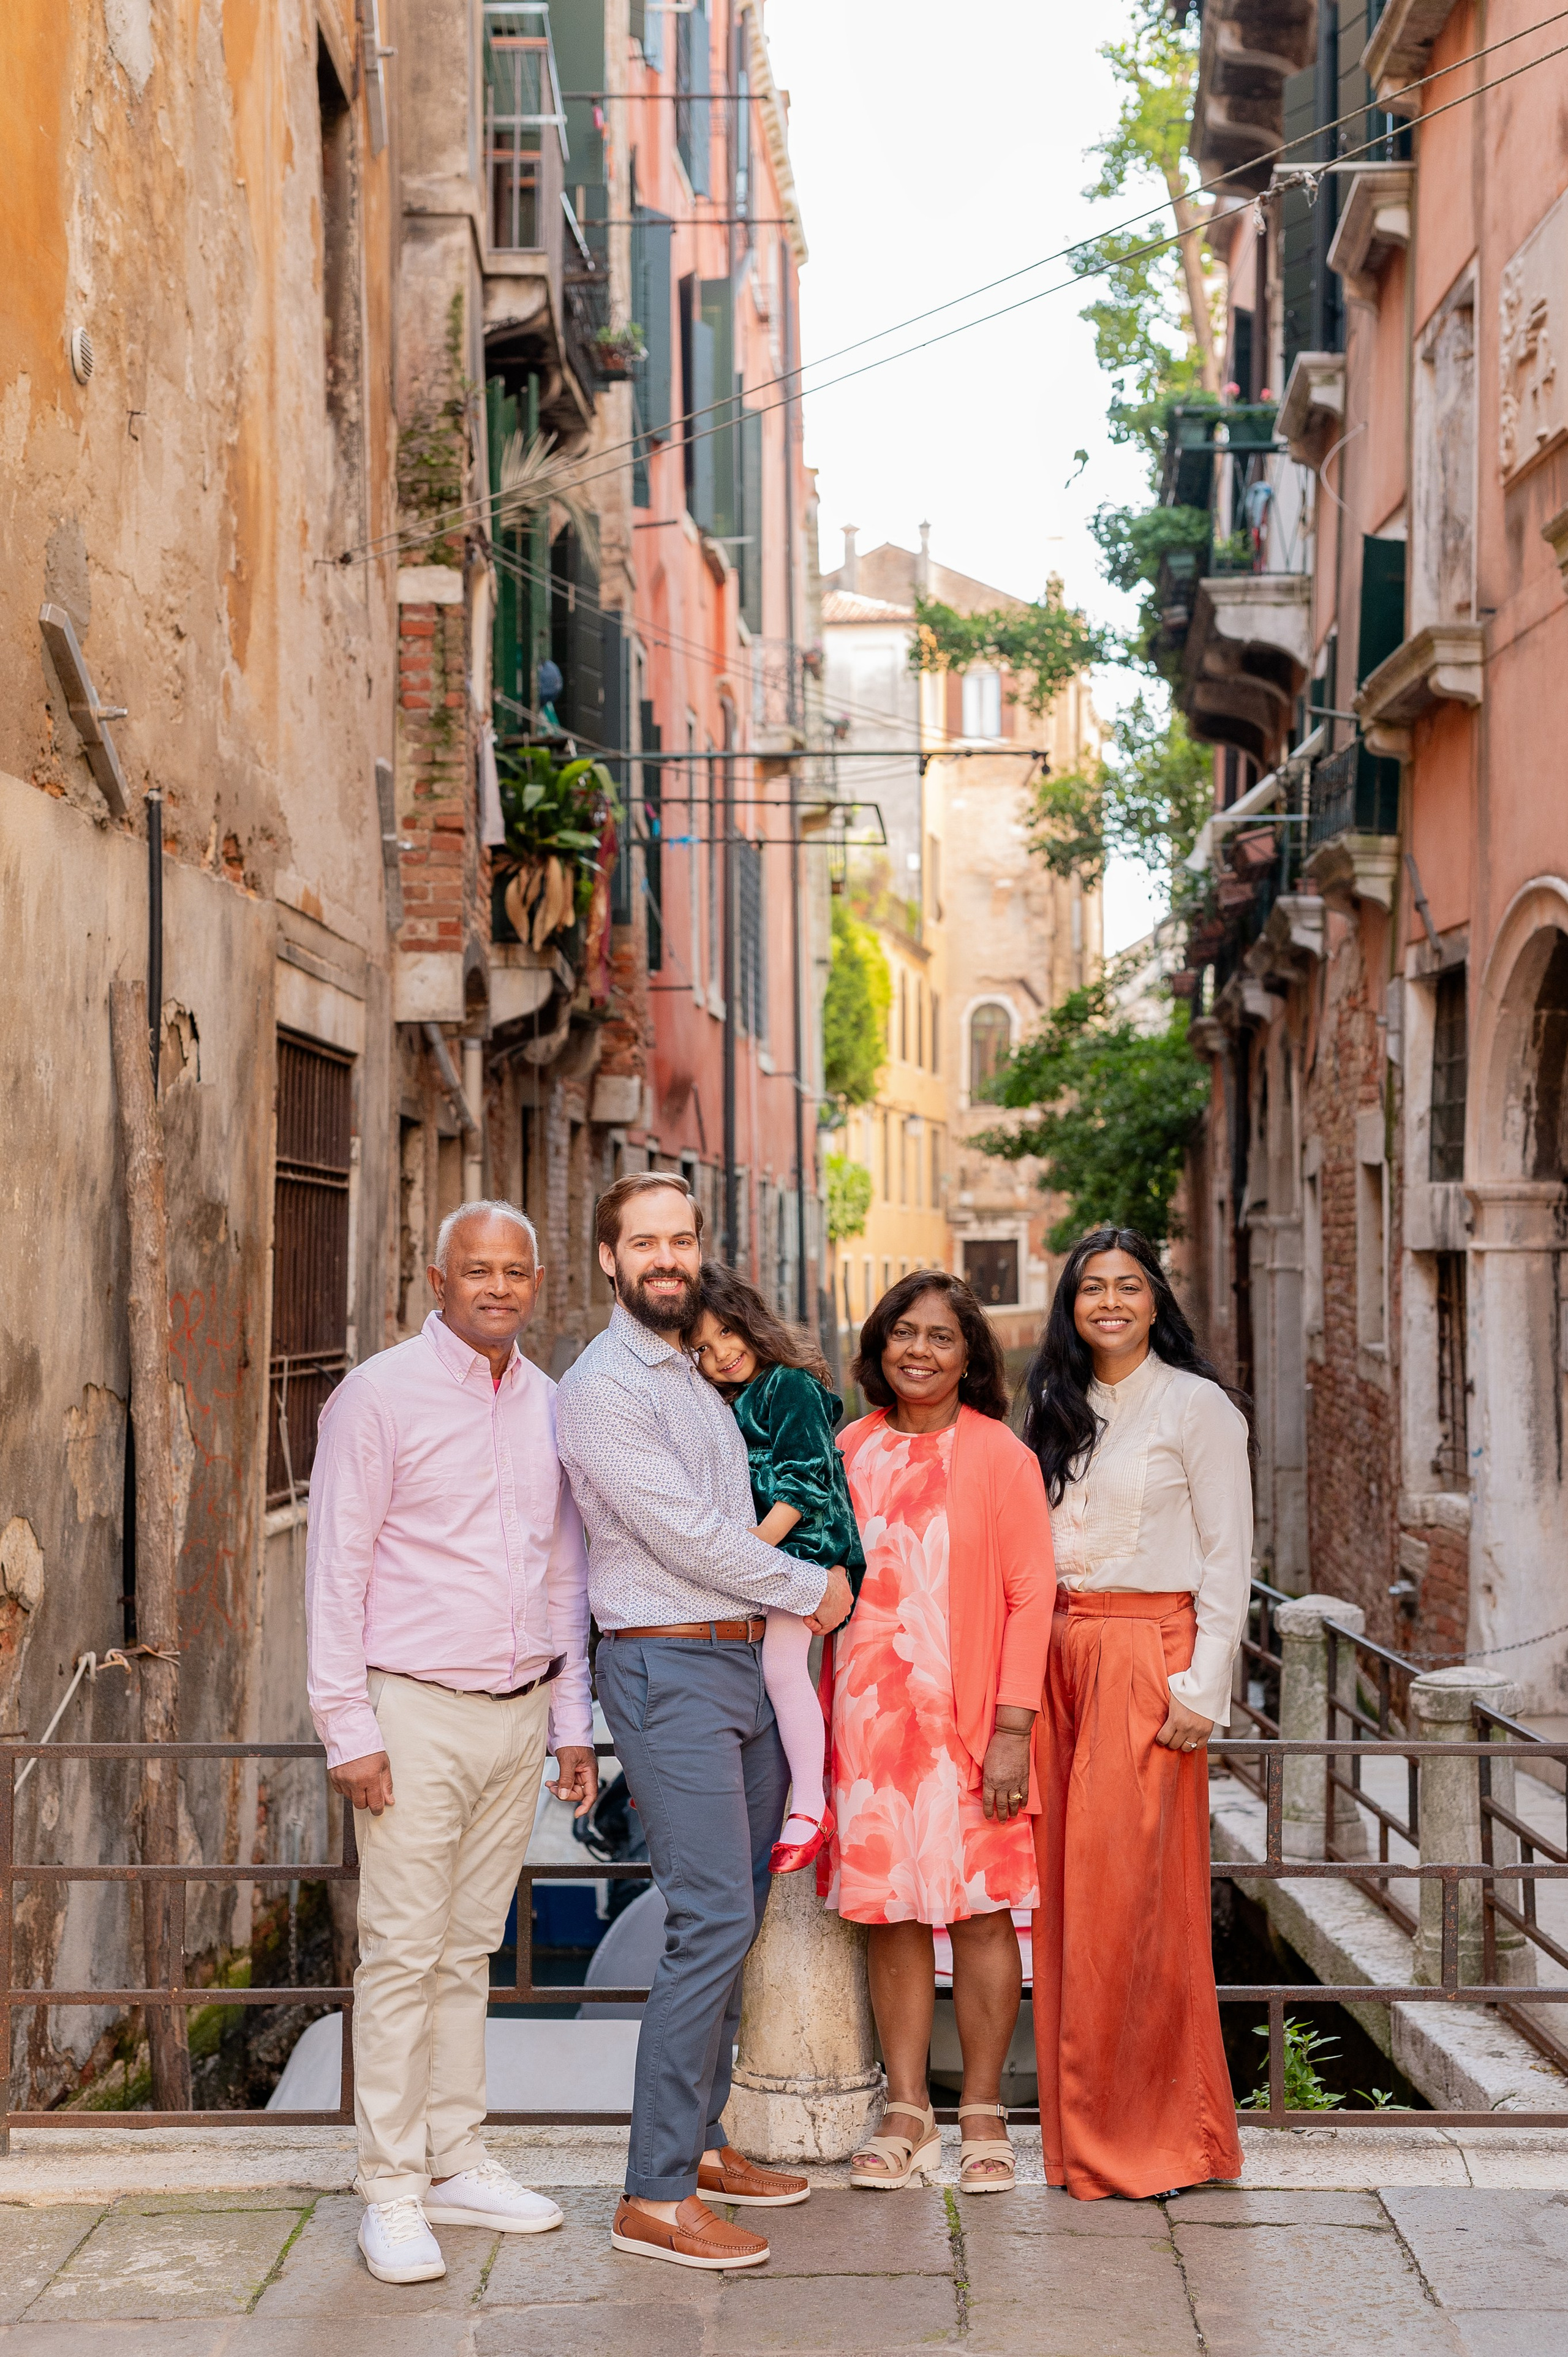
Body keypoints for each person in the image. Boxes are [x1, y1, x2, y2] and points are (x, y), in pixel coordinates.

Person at [554, 1174, 855, 2272]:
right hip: (667, 1664)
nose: (668, 1257)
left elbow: (752, 1495)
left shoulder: (694, 1370)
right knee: (712, 1917)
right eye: (645, 1242)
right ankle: (655, 2191)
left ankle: (705, 2137)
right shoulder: (601, 1388)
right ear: (608, 1257)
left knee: (739, 1913)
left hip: (740, 1661)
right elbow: (686, 1533)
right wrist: (809, 1584)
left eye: (682, 1238)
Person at [305, 1201, 597, 2286]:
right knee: (401, 1951)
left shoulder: (552, 1404)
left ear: (536, 1283)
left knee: (467, 1946)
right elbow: (334, 1566)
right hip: (411, 1709)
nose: (498, 1286)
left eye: (516, 1271)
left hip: (518, 1713)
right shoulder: (377, 1395)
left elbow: (563, 1577)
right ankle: (388, 2184)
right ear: (438, 1280)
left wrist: (571, 1723)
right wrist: (349, 1725)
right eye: (478, 1269)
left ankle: (454, 2159)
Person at [1023, 1224, 1252, 2203]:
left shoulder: (1198, 1407)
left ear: (1158, 1300)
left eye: (1128, 1286)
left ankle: (1159, 2139)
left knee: (1133, 1908)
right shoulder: (1054, 1407)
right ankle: (1080, 2143)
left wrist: (1202, 1690)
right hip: (1058, 1665)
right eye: (1090, 1289)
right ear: (1070, 1307)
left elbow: (1228, 1558)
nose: (1109, 1303)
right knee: (1068, 1904)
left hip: (1145, 1663)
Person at [822, 1270, 1054, 2197]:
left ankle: (986, 2108)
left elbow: (1032, 1596)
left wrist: (1011, 1730)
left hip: (970, 1723)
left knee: (985, 1912)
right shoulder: (846, 1449)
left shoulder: (1000, 1456)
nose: (919, 1351)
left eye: (941, 1338)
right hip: (870, 1718)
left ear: (970, 1357)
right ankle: (909, 2109)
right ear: (880, 1348)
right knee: (892, 1914)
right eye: (903, 1335)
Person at [684, 1262, 865, 1874]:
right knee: (751, 1664)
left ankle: (810, 1806)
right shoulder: (730, 1399)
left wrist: (754, 1551)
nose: (720, 1354)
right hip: (771, 1555)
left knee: (783, 1669)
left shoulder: (787, 1384)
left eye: (727, 1334)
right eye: (703, 1349)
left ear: (750, 1323)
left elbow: (805, 1477)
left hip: (806, 1545)